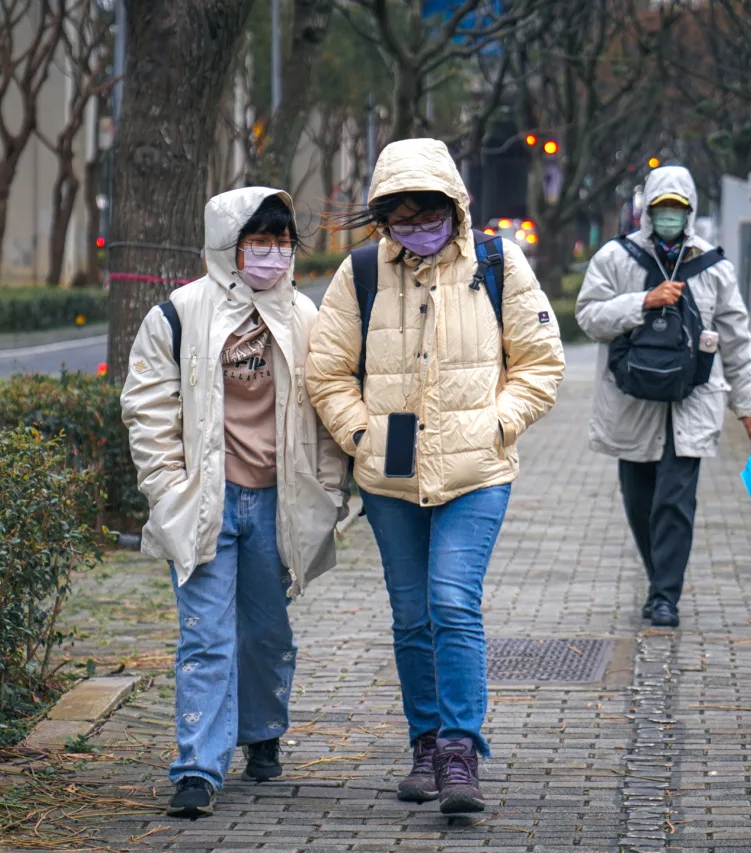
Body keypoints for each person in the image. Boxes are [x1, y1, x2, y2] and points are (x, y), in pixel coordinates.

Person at [305, 139, 565, 814]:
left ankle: (459, 750)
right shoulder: (360, 271)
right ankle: (425, 743)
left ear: (456, 205)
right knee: (412, 613)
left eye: (428, 212)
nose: (416, 226)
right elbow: (327, 371)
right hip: (389, 468)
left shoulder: (497, 263)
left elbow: (541, 362)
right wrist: (363, 435)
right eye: (400, 216)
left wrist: (498, 425)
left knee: (452, 600)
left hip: (477, 467)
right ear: (382, 219)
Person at [120, 187, 348, 818]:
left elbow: (330, 410)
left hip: (278, 505)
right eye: (258, 240)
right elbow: (148, 408)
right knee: (206, 637)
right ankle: (197, 765)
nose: (272, 254)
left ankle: (263, 733)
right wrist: (168, 490)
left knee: (267, 636)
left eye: (281, 241)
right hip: (203, 504)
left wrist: (327, 492)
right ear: (228, 244)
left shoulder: (305, 317)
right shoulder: (178, 314)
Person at [575, 165, 751, 629]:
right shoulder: (615, 260)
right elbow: (588, 317)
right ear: (648, 211)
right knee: (639, 504)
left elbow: (737, 339)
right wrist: (642, 302)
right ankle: (658, 576)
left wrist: (750, 404)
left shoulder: (714, 268)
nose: (669, 217)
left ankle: (665, 597)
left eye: (678, 210)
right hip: (632, 403)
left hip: (692, 402)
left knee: (675, 503)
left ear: (691, 211)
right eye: (662, 209)